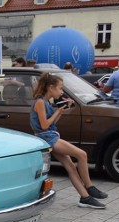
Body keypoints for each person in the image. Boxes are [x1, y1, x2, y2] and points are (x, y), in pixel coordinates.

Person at [30, 72, 107, 209]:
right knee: (82, 154)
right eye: (60, 88)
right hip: (46, 137)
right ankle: (89, 186)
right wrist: (58, 112)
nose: (61, 92)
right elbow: (44, 125)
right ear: (51, 88)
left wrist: (61, 111)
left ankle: (85, 198)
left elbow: (50, 124)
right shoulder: (40, 102)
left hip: (50, 135)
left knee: (71, 166)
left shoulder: (45, 101)